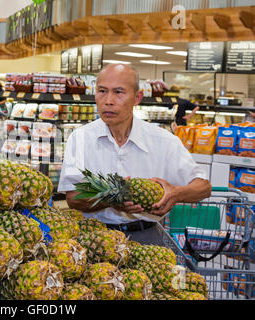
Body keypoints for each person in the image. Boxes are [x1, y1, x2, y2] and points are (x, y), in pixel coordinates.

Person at [57, 64, 212, 245]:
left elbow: (203, 187)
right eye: (102, 91)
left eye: (119, 92)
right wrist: (111, 198)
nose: (108, 100)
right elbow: (73, 198)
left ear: (137, 97)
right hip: (95, 239)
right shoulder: (80, 138)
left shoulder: (163, 140)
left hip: (146, 236)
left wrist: (176, 193)